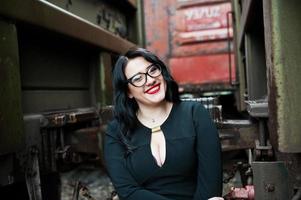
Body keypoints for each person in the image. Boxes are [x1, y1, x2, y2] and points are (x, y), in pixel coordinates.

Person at [104, 47, 222, 200]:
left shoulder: (195, 114)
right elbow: (127, 191)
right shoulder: (116, 131)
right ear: (128, 92)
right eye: (138, 79)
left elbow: (210, 185)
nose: (151, 80)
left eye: (152, 70)